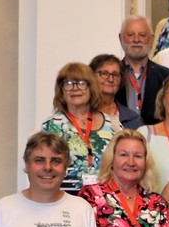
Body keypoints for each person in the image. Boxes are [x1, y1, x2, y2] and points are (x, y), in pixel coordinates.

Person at [41, 62, 121, 195]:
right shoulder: (51, 126)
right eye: (68, 84)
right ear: (61, 91)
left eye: (81, 83)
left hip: (106, 202)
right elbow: (44, 167)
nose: (75, 88)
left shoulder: (112, 124)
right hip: (63, 200)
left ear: (92, 88)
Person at [118, 16, 169, 125]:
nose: (136, 39)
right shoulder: (110, 77)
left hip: (155, 138)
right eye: (130, 35)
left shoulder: (167, 77)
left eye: (142, 35)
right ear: (121, 38)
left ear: (152, 39)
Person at [91, 54, 143, 131]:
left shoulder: (133, 118)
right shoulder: (81, 112)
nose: (111, 79)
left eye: (115, 75)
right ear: (91, 76)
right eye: (104, 73)